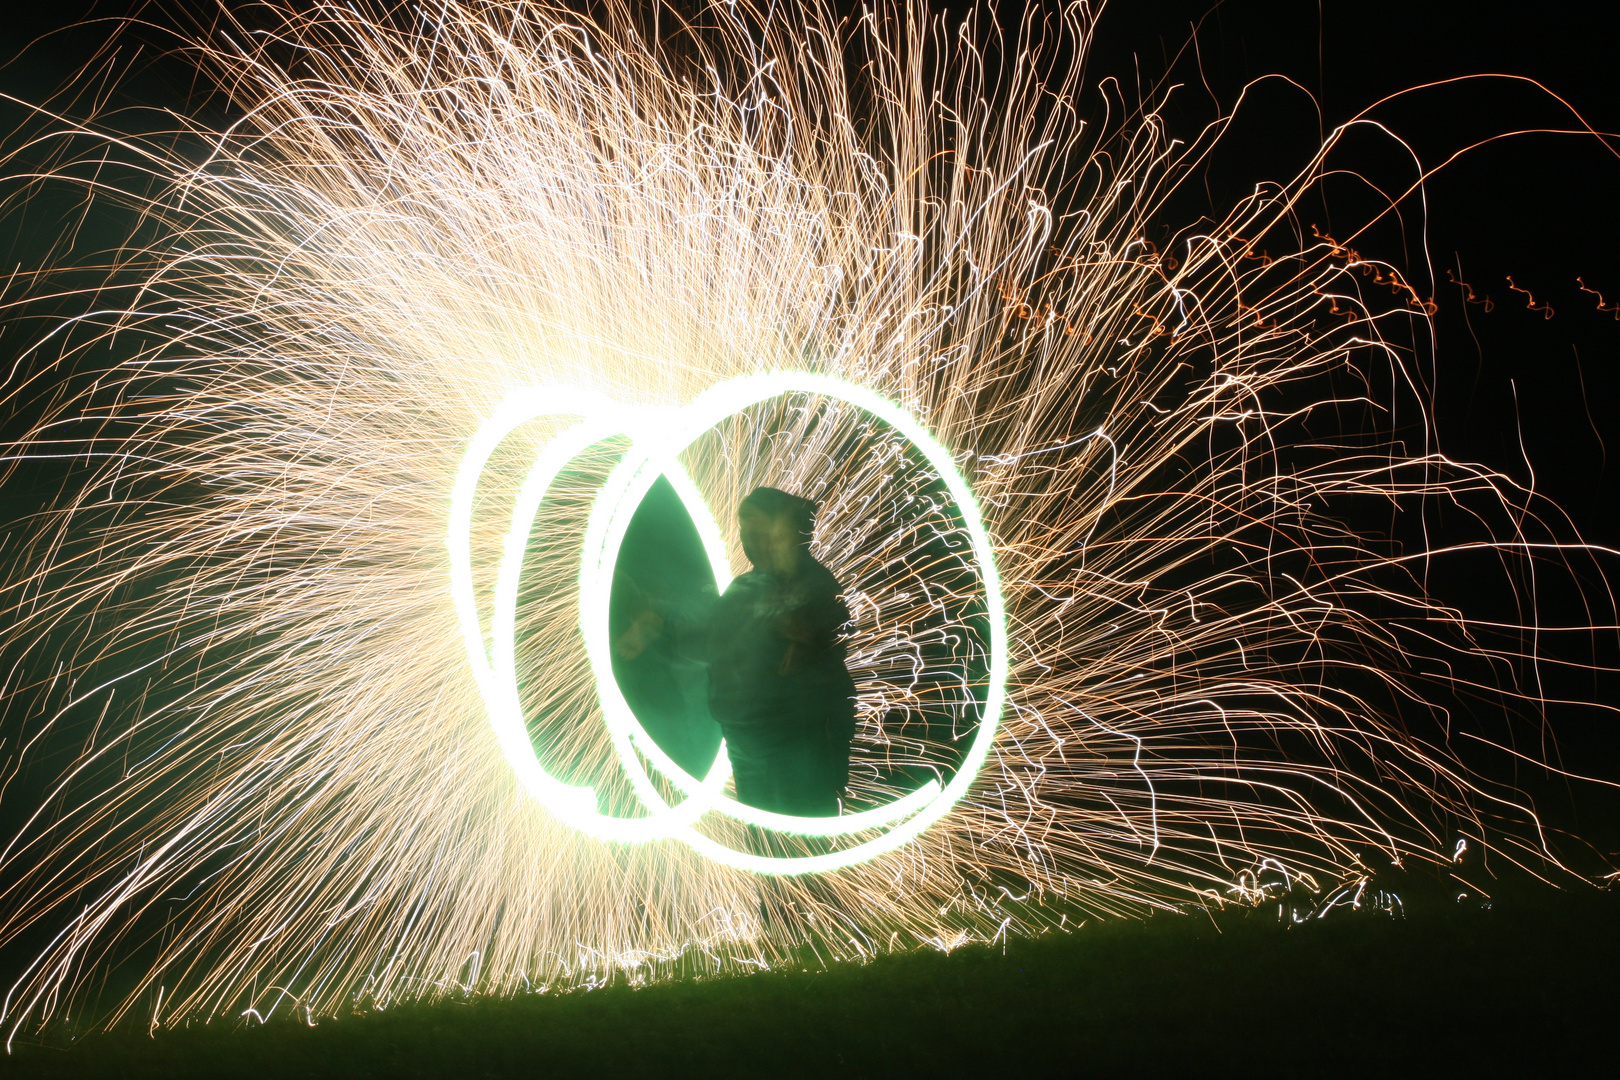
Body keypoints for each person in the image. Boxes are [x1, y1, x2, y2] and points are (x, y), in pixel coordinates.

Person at [615, 486, 856, 816]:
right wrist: (656, 624)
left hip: (798, 742)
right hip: (746, 741)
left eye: (759, 526)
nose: (750, 538)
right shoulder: (746, 588)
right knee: (766, 844)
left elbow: (837, 632)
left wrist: (807, 640)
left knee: (800, 841)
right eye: (745, 529)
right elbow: (712, 642)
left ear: (782, 529)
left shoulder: (814, 583)